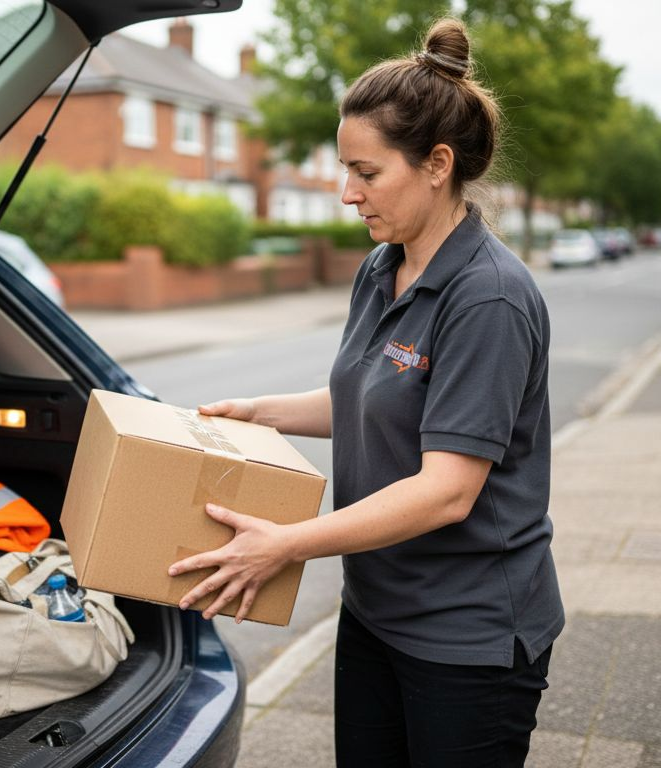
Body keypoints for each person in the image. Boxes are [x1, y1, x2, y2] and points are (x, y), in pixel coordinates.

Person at [166, 17, 563, 767]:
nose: (346, 193)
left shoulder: (489, 299)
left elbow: (447, 491)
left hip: (466, 636)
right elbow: (371, 394)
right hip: (377, 613)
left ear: (437, 164)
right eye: (343, 168)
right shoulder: (383, 267)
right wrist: (258, 414)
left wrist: (283, 546)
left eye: (367, 173)